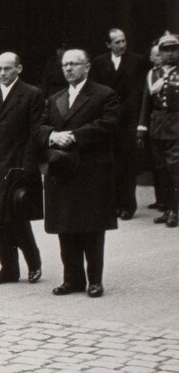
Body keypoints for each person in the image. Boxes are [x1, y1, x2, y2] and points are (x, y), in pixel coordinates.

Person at [38, 48, 121, 297]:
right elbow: (40, 126)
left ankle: (94, 280)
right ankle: (71, 279)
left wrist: (74, 136)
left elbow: (109, 124)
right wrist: (52, 135)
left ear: (87, 67)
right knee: (66, 227)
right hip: (62, 171)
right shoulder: (54, 98)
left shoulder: (104, 94)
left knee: (92, 229)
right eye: (65, 65)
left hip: (91, 171)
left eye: (74, 64)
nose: (69, 69)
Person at [0, 52, 44, 285]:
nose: (2, 73)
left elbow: (35, 135)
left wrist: (27, 167)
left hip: (16, 164)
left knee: (16, 218)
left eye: (7, 68)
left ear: (19, 69)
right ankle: (9, 268)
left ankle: (33, 262)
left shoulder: (31, 94)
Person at [90, 29, 148, 220]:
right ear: (108, 45)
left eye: (123, 41)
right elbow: (96, 90)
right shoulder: (99, 63)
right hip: (108, 119)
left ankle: (127, 206)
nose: (122, 45)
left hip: (128, 120)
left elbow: (142, 90)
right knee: (110, 164)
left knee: (127, 165)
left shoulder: (137, 61)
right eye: (117, 42)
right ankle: (113, 205)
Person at [137, 33, 179, 228]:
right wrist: (141, 129)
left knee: (174, 170)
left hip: (177, 126)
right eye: (165, 50)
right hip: (157, 127)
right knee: (161, 170)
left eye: (173, 49)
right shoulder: (153, 74)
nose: (170, 54)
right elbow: (146, 102)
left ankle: (174, 210)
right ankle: (168, 207)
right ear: (159, 53)